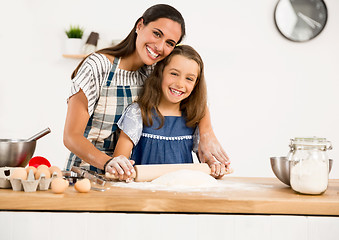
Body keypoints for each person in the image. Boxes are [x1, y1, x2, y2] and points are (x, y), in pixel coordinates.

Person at [63, 4, 229, 174]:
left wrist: (207, 132)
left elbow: (192, 94)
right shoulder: (98, 66)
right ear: (140, 25)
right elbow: (71, 137)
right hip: (86, 175)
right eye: (157, 34)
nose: (159, 46)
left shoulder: (154, 71)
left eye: (169, 43)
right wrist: (109, 163)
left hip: (126, 177)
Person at [106, 45, 231, 181]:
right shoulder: (138, 113)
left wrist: (215, 168)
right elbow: (119, 162)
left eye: (189, 79)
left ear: (196, 84)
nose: (180, 84)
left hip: (181, 194)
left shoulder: (194, 118)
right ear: (160, 72)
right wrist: (121, 170)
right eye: (174, 74)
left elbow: (207, 164)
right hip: (145, 196)